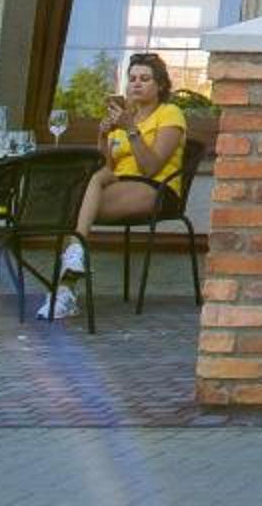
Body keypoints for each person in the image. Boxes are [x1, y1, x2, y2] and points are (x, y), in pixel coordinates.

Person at [38, 52, 190, 322]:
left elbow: (151, 167)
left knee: (72, 209)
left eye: (145, 79)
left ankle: (66, 286)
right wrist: (104, 135)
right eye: (132, 78)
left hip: (156, 188)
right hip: (119, 184)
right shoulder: (125, 117)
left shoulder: (169, 114)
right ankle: (69, 276)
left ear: (160, 86)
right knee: (80, 194)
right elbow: (106, 166)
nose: (137, 84)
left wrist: (131, 129)